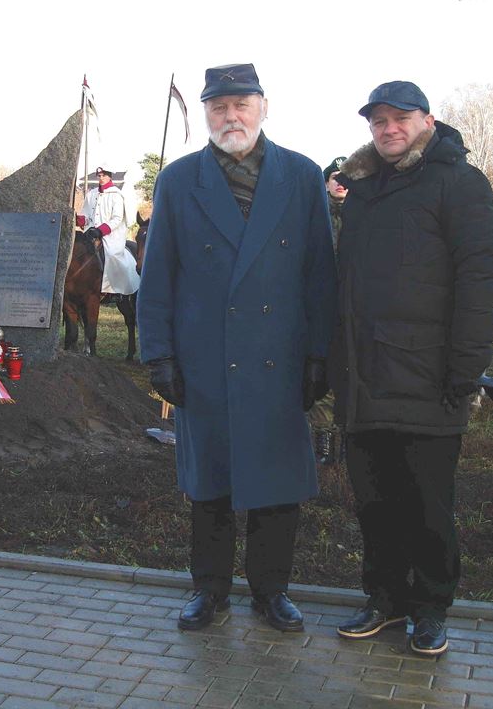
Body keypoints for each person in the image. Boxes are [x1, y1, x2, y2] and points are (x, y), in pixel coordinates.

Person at [138, 63, 336, 633]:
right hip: (206, 359)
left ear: (264, 107)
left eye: (241, 105)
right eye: (219, 107)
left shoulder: (300, 176)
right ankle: (210, 590)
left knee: (276, 485)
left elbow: (320, 273)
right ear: (205, 114)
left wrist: (319, 354)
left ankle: (272, 591)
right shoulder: (178, 181)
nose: (231, 116)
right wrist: (159, 355)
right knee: (211, 483)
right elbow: (159, 278)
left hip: (280, 358)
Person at [330, 81, 493, 656]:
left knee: (428, 504)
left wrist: (465, 367)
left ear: (428, 120)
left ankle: (430, 607)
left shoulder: (459, 183)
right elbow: (346, 282)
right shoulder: (365, 188)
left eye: (400, 118)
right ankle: (384, 599)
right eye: (378, 121)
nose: (388, 129)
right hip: (365, 376)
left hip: (430, 379)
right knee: (374, 502)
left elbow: (480, 280)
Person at [310, 157, 349, 465]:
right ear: (325, 182)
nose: (340, 182)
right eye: (335, 176)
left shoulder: (364, 214)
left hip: (354, 306)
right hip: (320, 304)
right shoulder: (312, 213)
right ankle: (323, 441)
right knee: (320, 369)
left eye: (346, 177)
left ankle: (348, 440)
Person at [77, 165, 139, 296]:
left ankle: (115, 291)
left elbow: (117, 218)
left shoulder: (116, 195)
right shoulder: (91, 194)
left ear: (109, 176)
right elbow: (87, 215)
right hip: (90, 233)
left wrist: (100, 231)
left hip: (110, 235)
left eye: (103, 176)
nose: (101, 178)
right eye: (99, 176)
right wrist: (81, 220)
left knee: (112, 255)